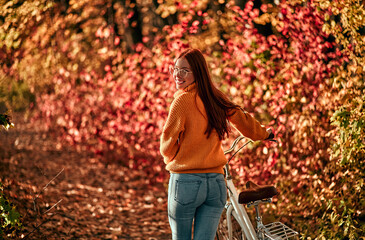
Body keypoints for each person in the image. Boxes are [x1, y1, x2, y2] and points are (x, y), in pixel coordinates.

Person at [160, 49, 272, 240]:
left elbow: (167, 144)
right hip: (215, 184)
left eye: (185, 70)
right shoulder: (216, 97)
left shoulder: (182, 101)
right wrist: (265, 134)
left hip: (186, 182)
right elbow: (243, 121)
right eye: (176, 69)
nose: (178, 75)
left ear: (198, 72)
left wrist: (172, 159)